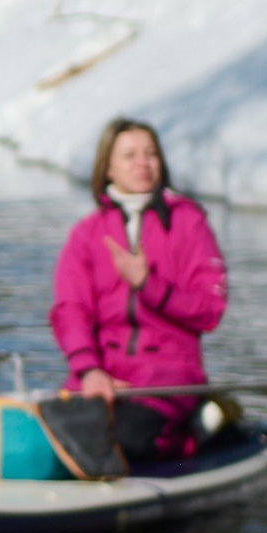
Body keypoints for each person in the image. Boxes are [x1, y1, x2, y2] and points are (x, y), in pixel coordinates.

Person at [51, 116, 227, 458]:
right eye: (130, 155)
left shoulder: (189, 223)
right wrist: (90, 370)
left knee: (125, 439)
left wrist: (150, 285)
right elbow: (70, 309)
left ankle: (189, 436)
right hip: (102, 377)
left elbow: (210, 311)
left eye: (151, 154)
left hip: (168, 377)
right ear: (108, 169)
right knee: (58, 437)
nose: (143, 163)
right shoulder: (86, 234)